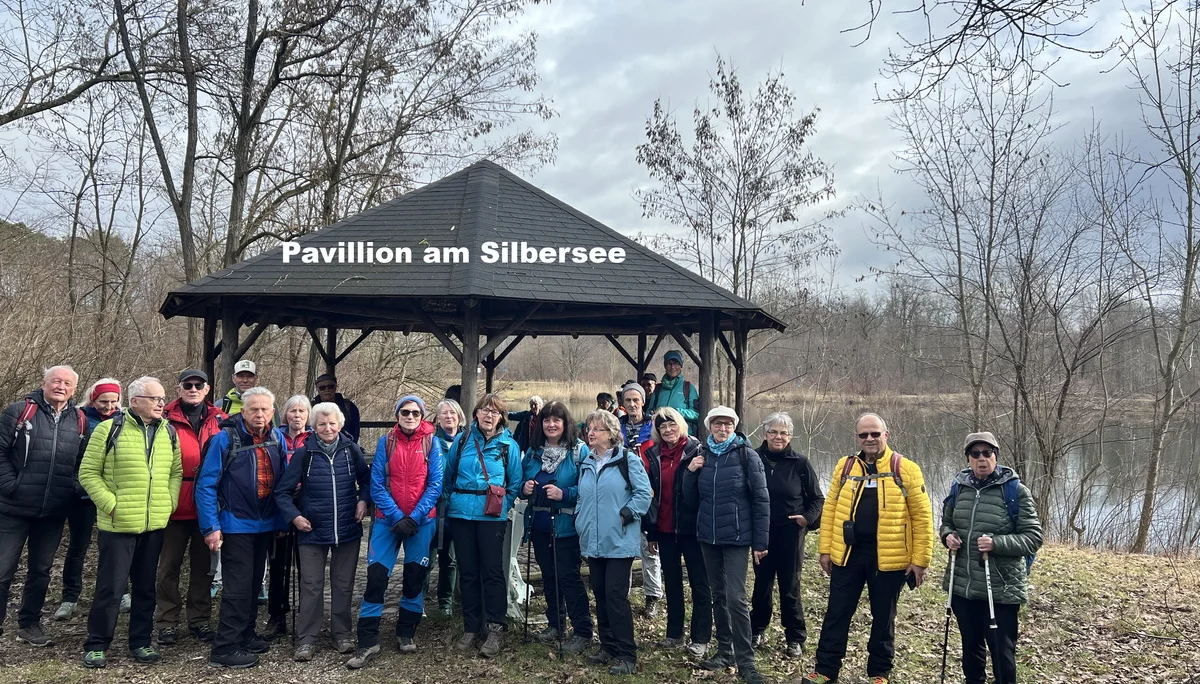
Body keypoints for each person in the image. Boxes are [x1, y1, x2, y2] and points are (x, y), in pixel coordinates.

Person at [802, 413, 935, 684]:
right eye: (864, 434)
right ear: (858, 437)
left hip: (889, 557)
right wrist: (825, 550)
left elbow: (922, 517)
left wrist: (920, 560)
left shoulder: (905, 468)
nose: (870, 439)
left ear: (886, 434)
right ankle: (825, 670)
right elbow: (831, 509)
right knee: (837, 613)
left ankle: (879, 673)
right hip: (848, 554)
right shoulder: (845, 466)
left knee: (883, 617)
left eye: (875, 433)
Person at [78, 376, 183, 668]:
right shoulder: (108, 429)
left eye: (162, 399)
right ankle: (97, 644)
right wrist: (111, 505)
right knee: (111, 588)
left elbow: (176, 472)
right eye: (154, 399)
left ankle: (141, 641)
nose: (161, 404)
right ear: (135, 401)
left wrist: (169, 503)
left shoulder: (169, 432)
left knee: (146, 587)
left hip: (154, 524)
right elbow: (88, 473)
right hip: (118, 526)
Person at [345, 395, 442, 668]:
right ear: (397, 415)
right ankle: (367, 640)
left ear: (422, 416)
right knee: (376, 577)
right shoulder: (385, 442)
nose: (410, 417)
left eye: (415, 413)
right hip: (387, 521)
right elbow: (376, 483)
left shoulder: (431, 443)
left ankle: (406, 632)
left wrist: (414, 517)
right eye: (405, 412)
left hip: (421, 522)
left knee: (414, 578)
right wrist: (398, 517)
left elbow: (435, 484)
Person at [195, 387, 288, 669]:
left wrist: (281, 521)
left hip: (266, 524)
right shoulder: (224, 439)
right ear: (243, 412)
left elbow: (283, 483)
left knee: (253, 583)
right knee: (237, 586)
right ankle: (225, 646)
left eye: (265, 409)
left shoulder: (276, 438)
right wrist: (210, 526)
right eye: (253, 409)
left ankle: (246, 634)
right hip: (235, 523)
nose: (259, 414)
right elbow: (206, 485)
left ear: (273, 412)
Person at [941, 432, 1043, 684]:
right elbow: (946, 523)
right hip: (963, 586)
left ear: (996, 456)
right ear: (968, 458)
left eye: (987, 453)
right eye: (975, 454)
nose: (982, 459)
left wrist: (996, 543)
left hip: (1000, 588)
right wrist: (947, 536)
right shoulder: (959, 488)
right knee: (970, 648)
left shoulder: (1015, 491)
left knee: (1001, 653)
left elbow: (1033, 538)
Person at [0, 365, 89, 647]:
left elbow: (83, 463)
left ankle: (29, 624)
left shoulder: (80, 420)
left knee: (41, 570)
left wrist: (71, 487)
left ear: (75, 389)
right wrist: (10, 485)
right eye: (56, 381)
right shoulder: (19, 412)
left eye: (67, 383)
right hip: (13, 508)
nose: (61, 386)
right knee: (2, 569)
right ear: (44, 383)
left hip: (53, 510)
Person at [274, 402, 369, 663]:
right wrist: (295, 517)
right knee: (311, 586)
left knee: (343, 585)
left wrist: (363, 501)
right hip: (312, 530)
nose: (327, 428)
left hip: (347, 529)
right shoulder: (304, 453)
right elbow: (282, 492)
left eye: (332, 423)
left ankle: (342, 635)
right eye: (322, 424)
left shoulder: (351, 450)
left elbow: (367, 480)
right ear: (314, 427)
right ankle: (306, 638)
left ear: (340, 425)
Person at [685, 406, 770, 684]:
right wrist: (690, 472)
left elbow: (761, 500)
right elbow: (689, 499)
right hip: (708, 537)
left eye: (728, 424)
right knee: (718, 595)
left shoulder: (747, 456)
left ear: (734, 427)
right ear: (709, 426)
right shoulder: (701, 455)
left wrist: (760, 541)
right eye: (717, 424)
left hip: (736, 537)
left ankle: (746, 662)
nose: (723, 429)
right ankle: (725, 651)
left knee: (736, 598)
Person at [442, 393, 522, 659]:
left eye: (495, 412)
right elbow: (448, 477)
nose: (489, 415)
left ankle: (495, 626)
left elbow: (515, 483)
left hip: (491, 518)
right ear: (476, 413)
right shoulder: (462, 440)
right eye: (485, 410)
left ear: (501, 417)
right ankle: (471, 626)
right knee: (467, 572)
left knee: (492, 572)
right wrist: (454, 501)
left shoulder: (508, 446)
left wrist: (501, 506)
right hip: (462, 515)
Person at [577, 409, 651, 675]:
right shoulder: (587, 462)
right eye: (589, 428)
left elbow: (644, 493)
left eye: (597, 429)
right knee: (599, 592)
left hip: (619, 540)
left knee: (615, 595)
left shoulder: (627, 460)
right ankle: (607, 646)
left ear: (611, 434)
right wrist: (580, 520)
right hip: (593, 540)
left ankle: (626, 653)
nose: (591, 433)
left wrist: (627, 513)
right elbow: (582, 497)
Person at [155, 370, 225, 645]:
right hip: (173, 502)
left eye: (199, 385)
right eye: (188, 384)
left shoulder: (220, 419)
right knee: (168, 567)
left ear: (207, 389)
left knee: (203, 567)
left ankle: (199, 619)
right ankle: (166, 621)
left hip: (207, 505)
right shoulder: (164, 417)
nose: (193, 389)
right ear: (179, 388)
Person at [519, 401, 593, 654]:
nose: (551, 425)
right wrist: (524, 489)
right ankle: (556, 623)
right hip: (539, 524)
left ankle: (582, 630)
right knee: (549, 576)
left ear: (565, 423)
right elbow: (519, 484)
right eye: (546, 420)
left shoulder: (579, 451)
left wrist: (565, 494)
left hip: (566, 525)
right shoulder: (533, 453)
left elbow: (589, 489)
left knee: (569, 577)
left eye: (556, 420)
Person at [750, 412, 824, 658]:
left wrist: (806, 518)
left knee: (790, 586)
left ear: (790, 436)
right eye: (773, 432)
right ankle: (756, 629)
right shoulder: (753, 458)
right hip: (762, 533)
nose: (778, 437)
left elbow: (818, 499)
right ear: (765, 434)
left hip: (791, 534)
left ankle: (795, 637)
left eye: (783, 433)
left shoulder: (800, 463)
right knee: (762, 584)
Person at [643, 407, 711, 659]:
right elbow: (650, 497)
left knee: (699, 584)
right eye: (662, 427)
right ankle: (674, 634)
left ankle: (700, 638)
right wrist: (651, 532)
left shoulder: (697, 450)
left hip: (692, 530)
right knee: (672, 583)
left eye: (671, 424)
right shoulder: (653, 455)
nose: (668, 430)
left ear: (680, 425)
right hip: (664, 529)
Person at [55, 378, 123, 622]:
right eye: (103, 401)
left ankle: (122, 592)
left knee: (116, 546)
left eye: (114, 401)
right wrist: (76, 485)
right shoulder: (79, 419)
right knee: (78, 546)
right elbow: (68, 456)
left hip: (112, 494)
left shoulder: (124, 420)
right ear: (92, 399)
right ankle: (69, 597)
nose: (109, 406)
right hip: (82, 495)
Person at [263, 395, 311, 640]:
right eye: (293, 411)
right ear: (285, 414)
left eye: (302, 411)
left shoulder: (314, 438)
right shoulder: (274, 437)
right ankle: (277, 615)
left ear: (308, 415)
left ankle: (306, 615)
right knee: (279, 565)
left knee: (306, 566)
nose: (297, 415)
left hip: (307, 505)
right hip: (280, 505)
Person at [618, 381, 661, 618]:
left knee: (649, 546)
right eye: (628, 400)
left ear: (643, 401)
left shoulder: (654, 426)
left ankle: (652, 595)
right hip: (622, 491)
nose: (632, 404)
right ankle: (620, 594)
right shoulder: (616, 427)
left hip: (649, 490)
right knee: (622, 545)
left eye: (636, 400)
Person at [427, 398, 464, 615]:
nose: (449, 417)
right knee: (426, 558)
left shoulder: (467, 443)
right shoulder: (430, 443)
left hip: (456, 509)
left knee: (450, 559)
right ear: (437, 418)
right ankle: (418, 602)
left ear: (460, 417)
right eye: (444, 413)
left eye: (453, 413)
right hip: (433, 508)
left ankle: (445, 604)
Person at [647, 350, 700, 435]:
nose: (672, 367)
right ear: (665, 366)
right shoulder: (658, 388)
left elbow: (696, 414)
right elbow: (649, 411)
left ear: (681, 366)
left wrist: (676, 412)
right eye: (669, 364)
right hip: (661, 435)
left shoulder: (688, 387)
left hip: (683, 435)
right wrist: (653, 415)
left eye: (676, 363)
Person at [311, 374, 361, 443]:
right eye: (322, 388)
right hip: (316, 445)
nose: (327, 390)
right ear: (317, 389)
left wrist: (350, 446)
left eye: (330, 387)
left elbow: (355, 430)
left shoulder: (348, 406)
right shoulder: (311, 407)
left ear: (335, 387)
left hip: (345, 445)